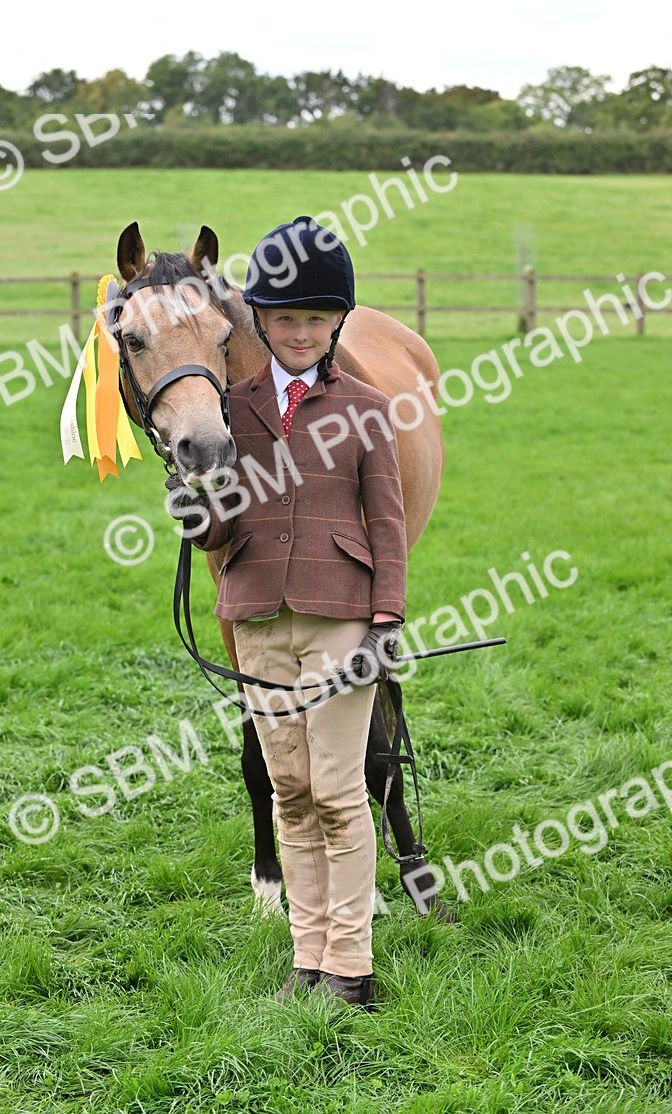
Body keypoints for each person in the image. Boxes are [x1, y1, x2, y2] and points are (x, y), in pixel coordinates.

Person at [167, 216, 407, 1008]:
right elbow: (226, 526)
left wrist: (385, 626)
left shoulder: (369, 408)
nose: (300, 332)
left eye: (315, 318)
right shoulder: (230, 408)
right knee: (291, 794)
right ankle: (308, 960)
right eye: (284, 319)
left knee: (338, 794)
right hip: (258, 617)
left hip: (340, 621)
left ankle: (352, 965)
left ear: (336, 322)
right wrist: (196, 516)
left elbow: (389, 528)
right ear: (259, 323)